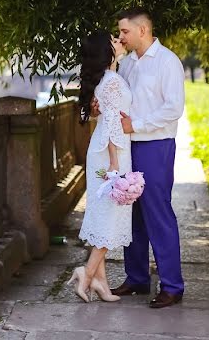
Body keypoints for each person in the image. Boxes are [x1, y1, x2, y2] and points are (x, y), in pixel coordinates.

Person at [108, 7, 186, 309]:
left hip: (156, 146)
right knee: (133, 214)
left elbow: (173, 108)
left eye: (124, 31)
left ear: (143, 30)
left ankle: (172, 286)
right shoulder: (126, 64)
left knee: (158, 214)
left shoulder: (168, 62)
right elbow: (119, 97)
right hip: (129, 148)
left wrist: (135, 124)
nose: (120, 37)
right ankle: (137, 278)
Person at [67, 29, 132, 303]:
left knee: (103, 214)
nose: (119, 41)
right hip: (111, 152)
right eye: (114, 41)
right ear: (107, 52)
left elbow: (105, 119)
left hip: (103, 150)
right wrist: (116, 163)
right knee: (110, 215)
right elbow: (112, 124)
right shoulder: (113, 81)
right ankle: (87, 272)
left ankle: (101, 283)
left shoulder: (105, 80)